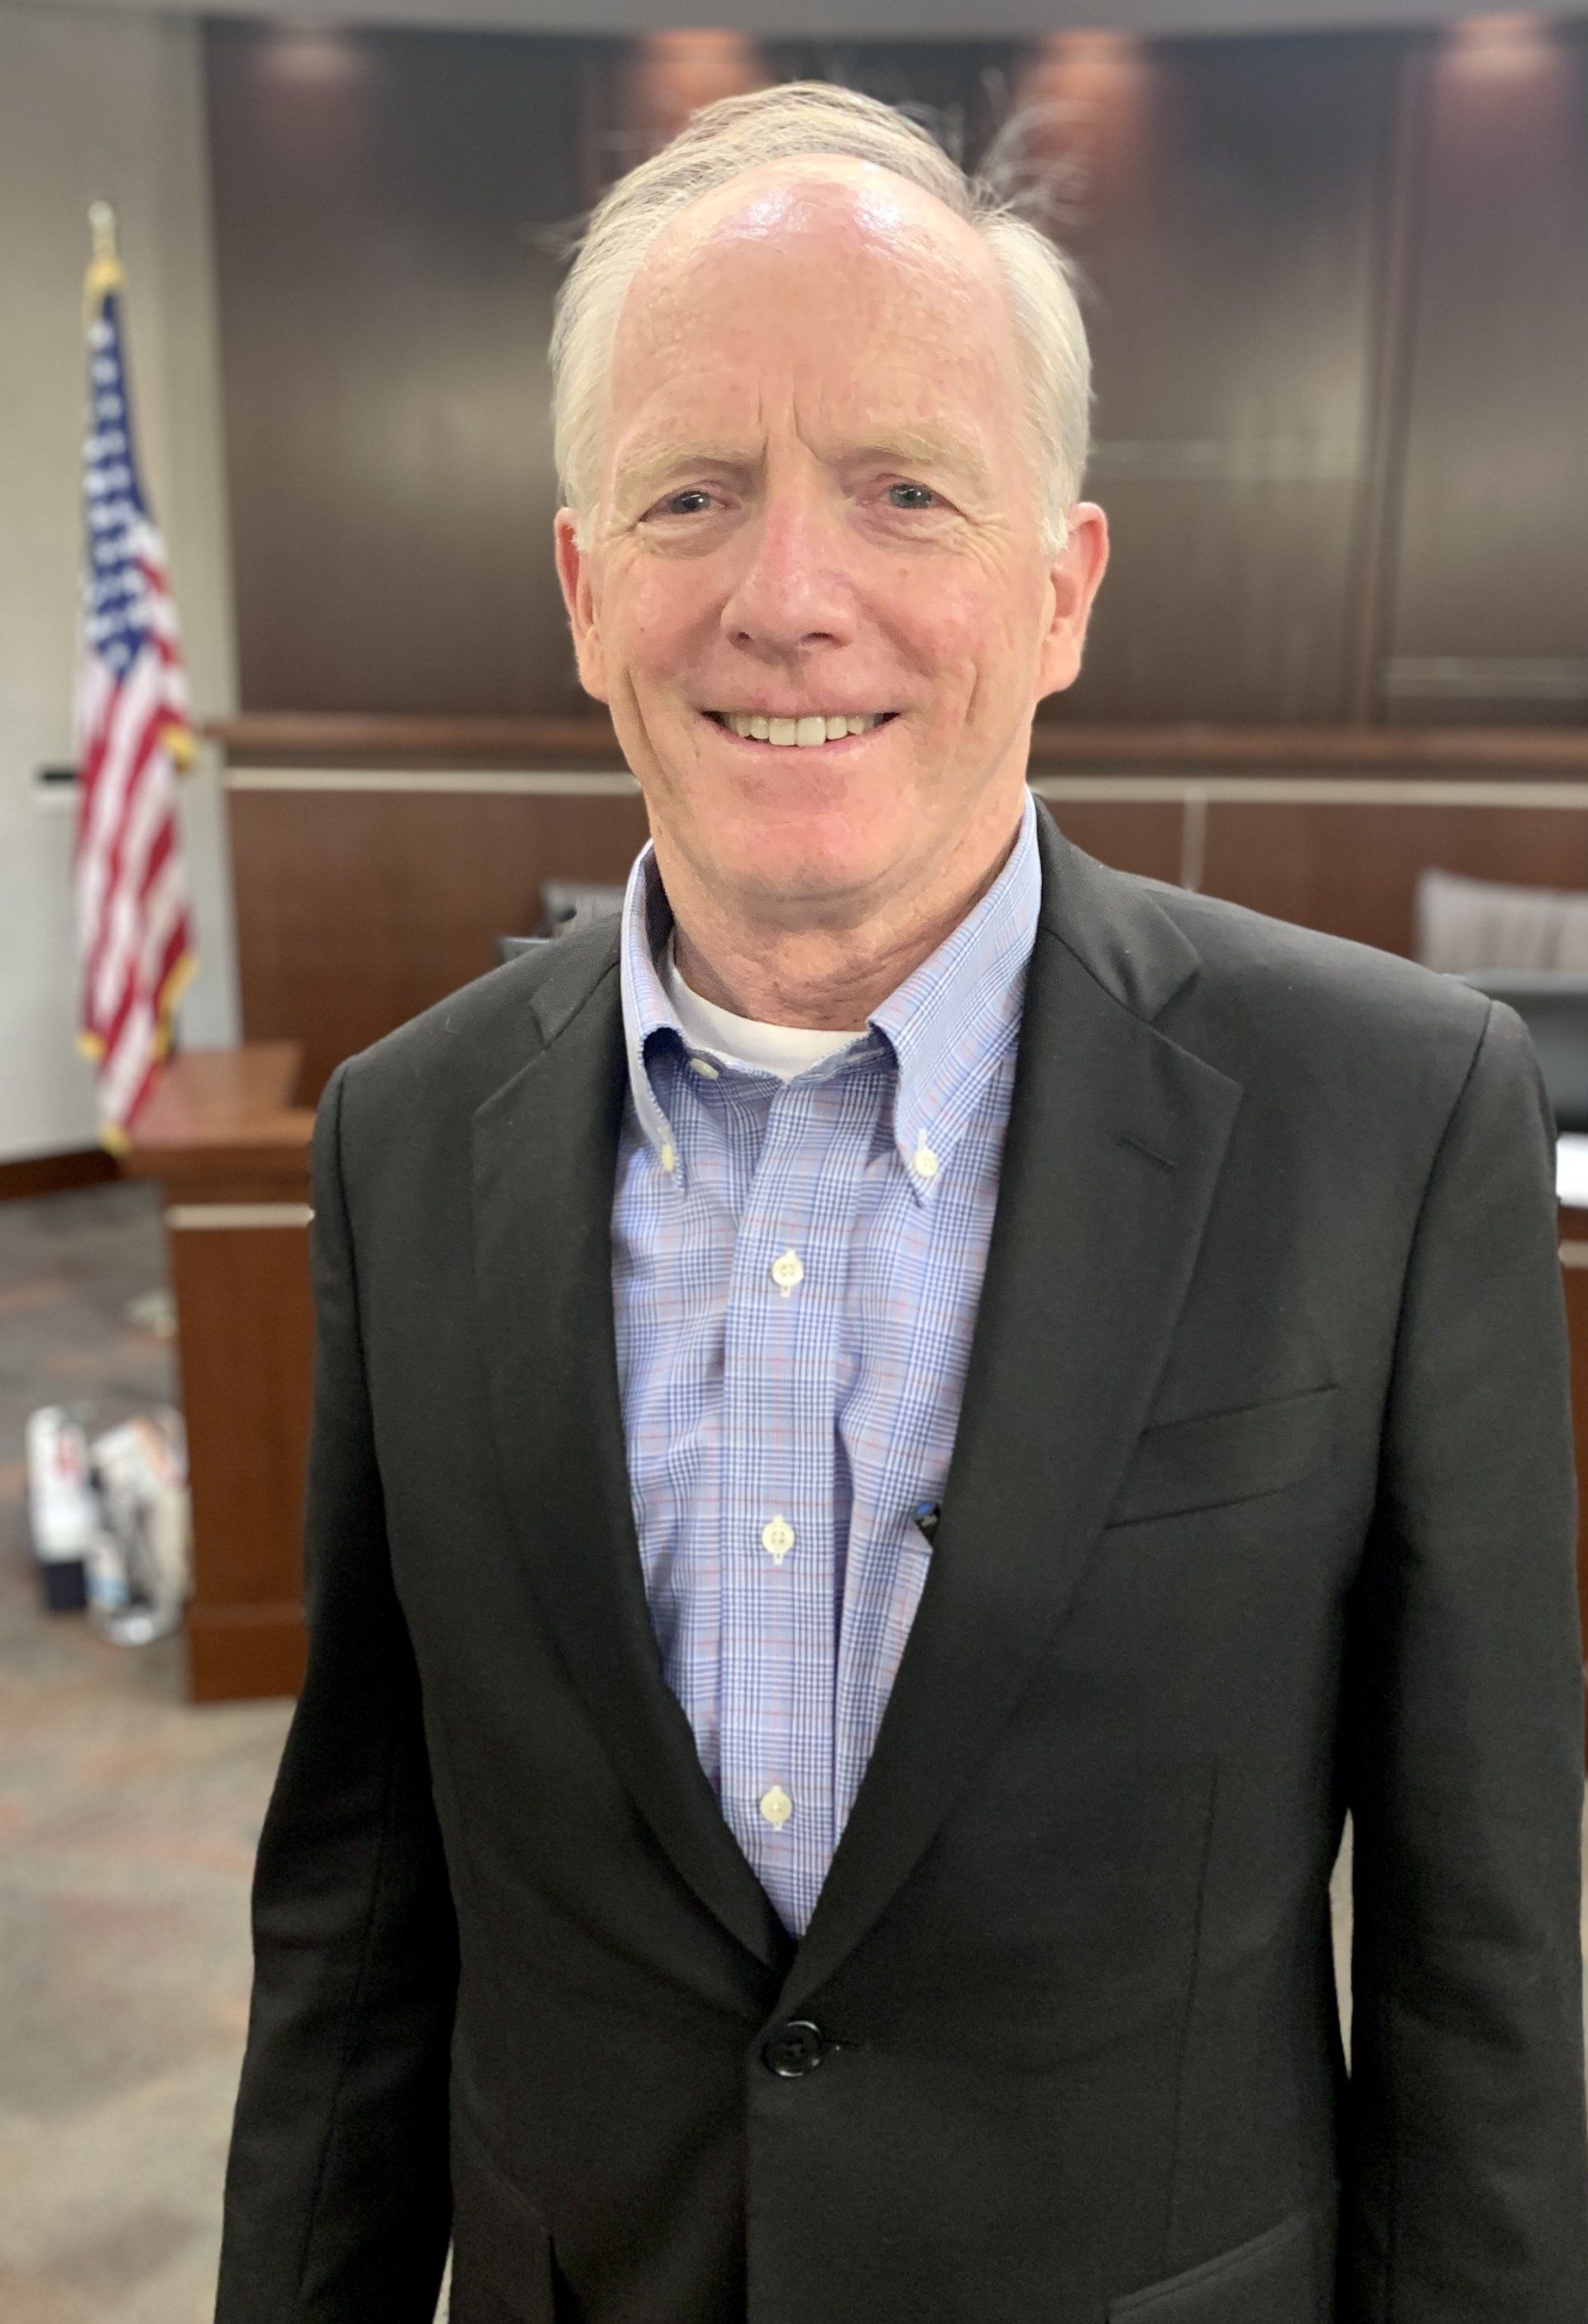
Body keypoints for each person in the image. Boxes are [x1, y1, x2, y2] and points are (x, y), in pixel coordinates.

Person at [213, 83, 1586, 2324]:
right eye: (691, 494)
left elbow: (1488, 1965)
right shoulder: (402, 1138)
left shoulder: (1390, 1115)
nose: (786, 598)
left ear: (1060, 589)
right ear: (585, 590)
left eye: (903, 493)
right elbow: (359, 1924)